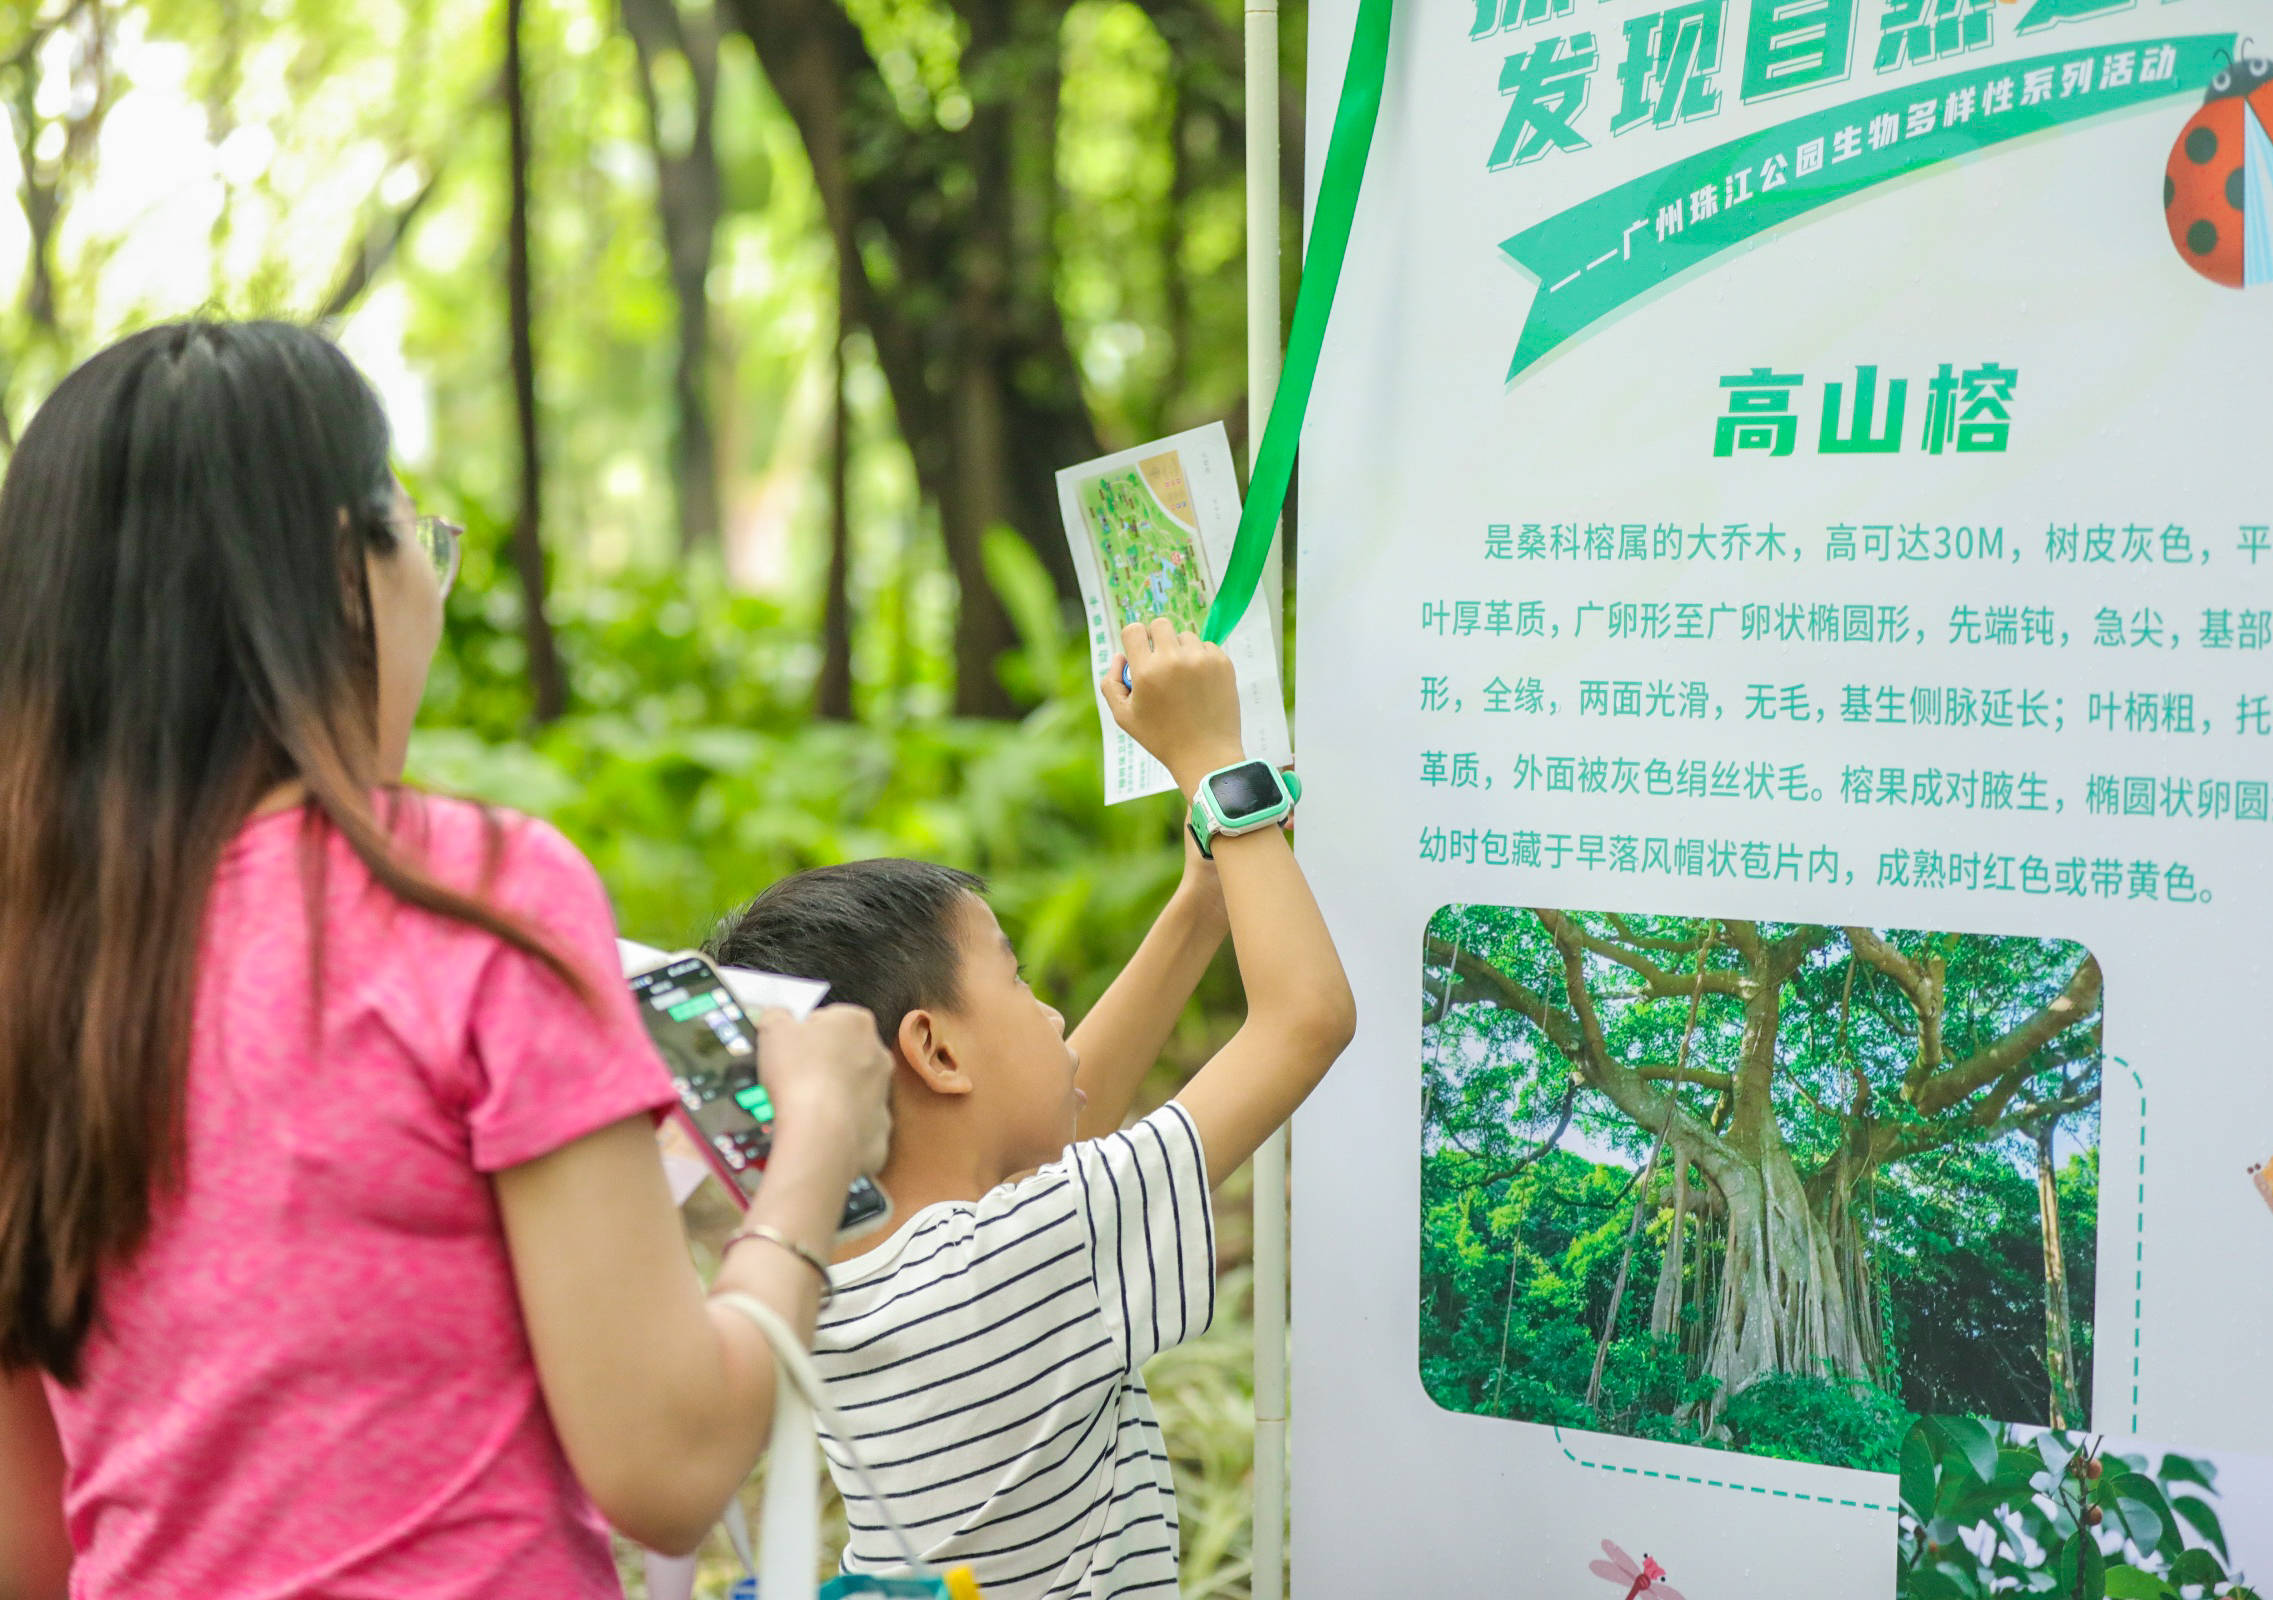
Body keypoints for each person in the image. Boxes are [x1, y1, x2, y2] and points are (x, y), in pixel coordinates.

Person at [0, 319, 894, 1599]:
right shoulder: (478, 896)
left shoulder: (30, 966)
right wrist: (811, 1147)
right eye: (422, 536)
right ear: (342, 573)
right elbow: (671, 1460)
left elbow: (30, 1553)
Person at [705, 620, 1356, 1598]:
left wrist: (1200, 906)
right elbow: (1306, 1020)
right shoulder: (1031, 1251)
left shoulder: (828, 1266)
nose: (1051, 1012)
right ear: (934, 1049)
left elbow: (1049, 1134)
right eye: (1015, 978)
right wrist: (1220, 767)